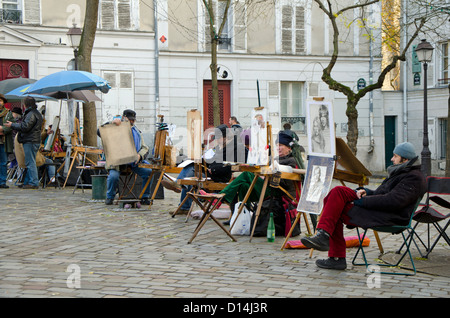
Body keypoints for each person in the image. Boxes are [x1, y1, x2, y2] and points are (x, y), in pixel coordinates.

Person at [300, 142, 426, 270]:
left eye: (395, 156)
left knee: (335, 207)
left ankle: (334, 252)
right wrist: (367, 192)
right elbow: (382, 193)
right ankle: (325, 236)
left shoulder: (414, 178)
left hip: (390, 216)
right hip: (379, 209)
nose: (392, 159)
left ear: (405, 159)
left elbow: (394, 201)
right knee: (338, 192)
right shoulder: (402, 171)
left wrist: (362, 201)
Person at [163, 124, 246, 213]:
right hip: (210, 171)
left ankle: (180, 190)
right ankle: (181, 192)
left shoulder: (233, 148)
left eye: (219, 138)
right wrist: (202, 160)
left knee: (191, 172)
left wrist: (212, 169)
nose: (217, 140)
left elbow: (228, 166)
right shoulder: (219, 146)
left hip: (219, 176)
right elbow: (213, 158)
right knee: (191, 167)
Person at [220, 132, 299, 218]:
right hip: (268, 186)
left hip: (279, 191)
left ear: (288, 148)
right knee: (244, 186)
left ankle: (221, 197)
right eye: (277, 145)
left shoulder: (292, 161)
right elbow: (265, 170)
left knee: (246, 174)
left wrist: (266, 176)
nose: (278, 148)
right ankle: (245, 217)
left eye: (280, 145)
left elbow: (285, 182)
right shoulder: (275, 159)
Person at [100, 109, 153, 205]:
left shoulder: (137, 131)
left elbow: (145, 147)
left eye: (133, 120)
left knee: (149, 173)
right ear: (124, 118)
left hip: (133, 163)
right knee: (113, 176)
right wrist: (111, 123)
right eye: (130, 119)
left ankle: (145, 197)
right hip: (117, 163)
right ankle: (110, 197)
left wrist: (139, 156)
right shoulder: (115, 127)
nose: (132, 122)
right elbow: (100, 131)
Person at [4, 97, 43, 189]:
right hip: (32, 140)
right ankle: (28, 181)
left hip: (30, 140)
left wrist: (12, 125)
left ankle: (33, 182)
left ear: (26, 104)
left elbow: (25, 126)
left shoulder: (31, 114)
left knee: (30, 162)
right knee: (29, 161)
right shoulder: (34, 113)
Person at [0, 94, 17, 188]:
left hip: (3, 141)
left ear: (3, 102)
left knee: (3, 162)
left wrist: (2, 129)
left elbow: (12, 125)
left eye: (1, 101)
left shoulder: (8, 113)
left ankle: (2, 181)